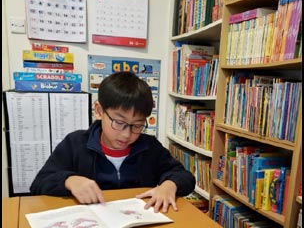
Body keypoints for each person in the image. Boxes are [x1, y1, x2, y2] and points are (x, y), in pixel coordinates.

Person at [30, 71, 195, 212]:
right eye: (119, 123)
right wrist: (69, 180)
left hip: (139, 222)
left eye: (137, 125)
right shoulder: (75, 143)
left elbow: (185, 177)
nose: (126, 134)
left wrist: (170, 185)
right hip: (91, 224)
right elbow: (39, 184)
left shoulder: (149, 146)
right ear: (99, 111)